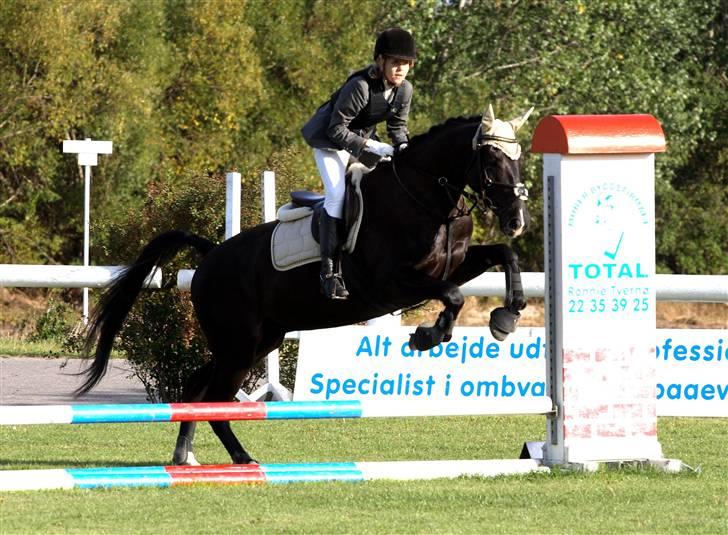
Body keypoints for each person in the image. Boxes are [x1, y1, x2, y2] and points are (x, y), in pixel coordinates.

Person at [301, 27, 416, 300]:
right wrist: (371, 146)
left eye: (406, 64)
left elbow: (398, 128)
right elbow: (336, 130)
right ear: (381, 61)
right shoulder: (360, 85)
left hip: (361, 142)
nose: (400, 69)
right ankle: (329, 274)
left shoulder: (404, 90)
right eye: (395, 62)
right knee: (337, 196)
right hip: (329, 143)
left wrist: (404, 149)